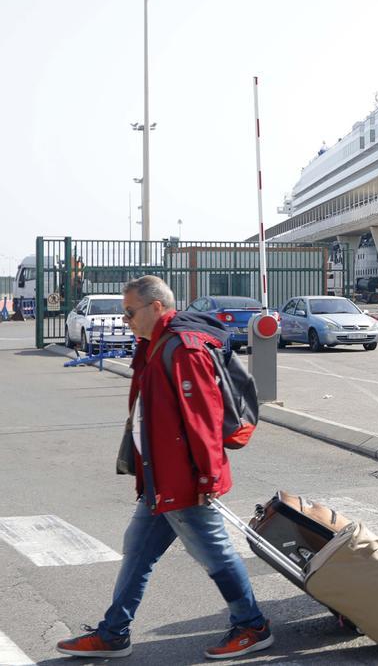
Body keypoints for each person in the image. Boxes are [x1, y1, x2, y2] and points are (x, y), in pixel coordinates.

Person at [57, 276, 273, 660]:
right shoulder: (154, 344)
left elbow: (202, 418)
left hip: (186, 479)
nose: (125, 320)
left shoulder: (182, 349)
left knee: (216, 554)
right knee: (137, 551)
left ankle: (252, 625)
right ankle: (113, 633)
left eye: (129, 311)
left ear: (156, 307)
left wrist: (206, 476)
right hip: (162, 477)